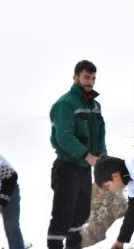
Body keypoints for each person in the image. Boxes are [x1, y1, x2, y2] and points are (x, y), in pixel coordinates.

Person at [48, 60, 107, 249]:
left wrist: (103, 158)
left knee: (81, 215)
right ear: (75, 77)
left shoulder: (95, 105)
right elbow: (64, 137)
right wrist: (87, 156)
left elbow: (100, 135)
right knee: (62, 216)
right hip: (66, 167)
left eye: (93, 78)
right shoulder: (65, 104)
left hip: (84, 170)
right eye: (86, 77)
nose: (90, 82)